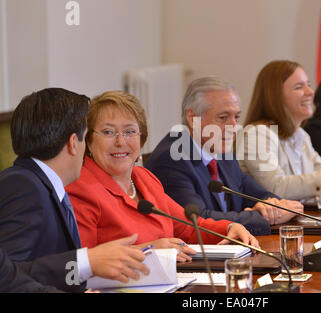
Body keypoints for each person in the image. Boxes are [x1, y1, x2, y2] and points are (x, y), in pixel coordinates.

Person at [66, 90, 258, 263]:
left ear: (142, 139)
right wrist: (149, 251)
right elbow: (85, 262)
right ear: (88, 140)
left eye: (129, 131)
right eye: (108, 132)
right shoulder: (80, 189)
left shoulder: (144, 178)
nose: (120, 141)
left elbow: (188, 227)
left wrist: (229, 228)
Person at [0, 88, 149, 292]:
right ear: (73, 143)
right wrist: (86, 261)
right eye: (85, 137)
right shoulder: (24, 186)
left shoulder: (40, 183)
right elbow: (8, 277)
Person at [145, 76, 304, 236]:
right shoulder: (171, 159)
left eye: (236, 117)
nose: (233, 127)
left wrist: (273, 206)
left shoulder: (222, 151)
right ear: (193, 118)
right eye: (223, 118)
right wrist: (262, 216)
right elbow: (198, 220)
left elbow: (254, 193)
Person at [236, 60, 321, 200]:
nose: (310, 92)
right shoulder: (258, 134)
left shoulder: (301, 135)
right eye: (299, 87)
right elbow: (276, 188)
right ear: (275, 96)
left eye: (309, 85)